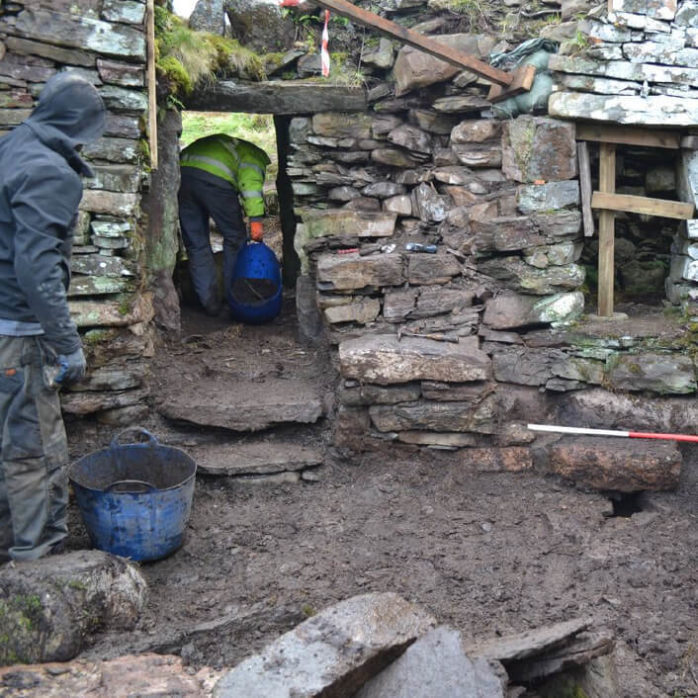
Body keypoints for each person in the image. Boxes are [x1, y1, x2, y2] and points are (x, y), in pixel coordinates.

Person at [0, 72, 106, 562]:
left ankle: (15, 536)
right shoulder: (50, 173)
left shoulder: (14, 146)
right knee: (36, 448)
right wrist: (66, 343)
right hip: (20, 333)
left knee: (13, 437)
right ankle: (38, 561)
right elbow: (35, 267)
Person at [178, 134, 271, 316]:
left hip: (184, 177)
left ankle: (210, 304)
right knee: (235, 238)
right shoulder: (254, 156)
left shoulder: (228, 145)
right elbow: (251, 187)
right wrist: (255, 220)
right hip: (215, 182)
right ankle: (234, 299)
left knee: (196, 245)